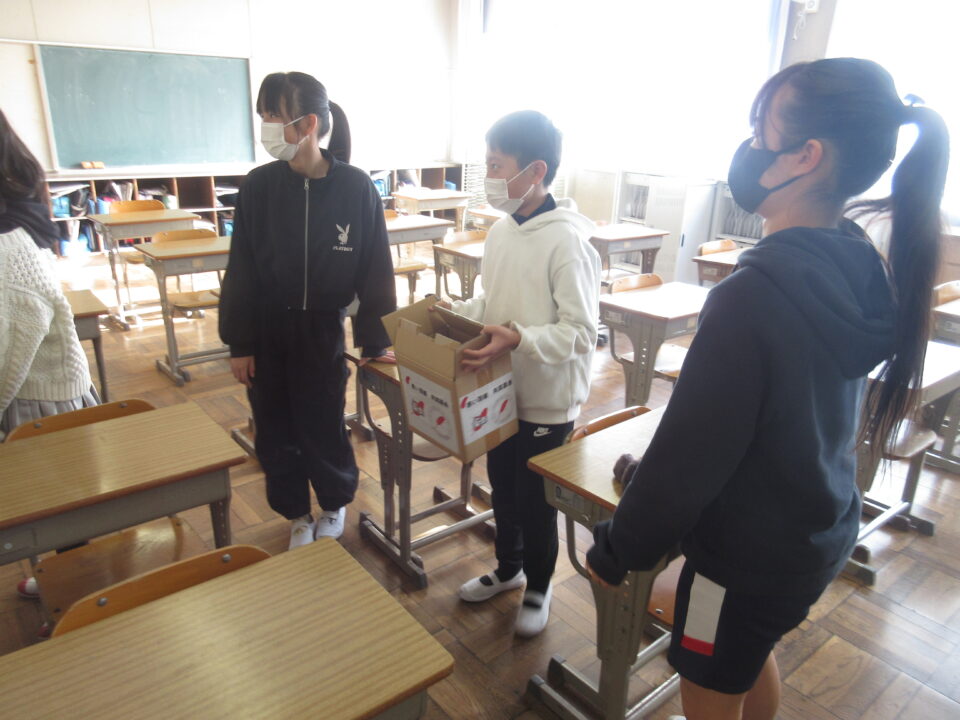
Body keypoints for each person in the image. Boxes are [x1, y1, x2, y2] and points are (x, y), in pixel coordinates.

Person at [585, 58, 949, 720]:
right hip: (813, 531)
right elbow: (763, 425)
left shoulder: (751, 298)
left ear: (806, 156)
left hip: (740, 565)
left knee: (714, 676)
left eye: (761, 133)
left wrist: (615, 551)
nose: (749, 148)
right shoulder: (857, 263)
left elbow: (688, 461)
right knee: (748, 658)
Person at [218, 72, 396, 550]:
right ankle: (296, 512)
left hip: (321, 329)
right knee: (274, 427)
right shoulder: (258, 187)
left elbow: (376, 267)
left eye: (273, 115)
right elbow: (241, 270)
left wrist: (375, 340)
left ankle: (334, 503)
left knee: (323, 423)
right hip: (267, 329)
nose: (265, 125)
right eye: (262, 115)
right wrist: (240, 343)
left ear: (308, 123)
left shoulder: (355, 188)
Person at [450, 110, 600, 637]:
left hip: (546, 400)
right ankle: (509, 569)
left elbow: (581, 332)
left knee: (536, 502)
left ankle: (539, 585)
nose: (488, 176)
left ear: (535, 171)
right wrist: (453, 315)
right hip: (499, 390)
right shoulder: (500, 232)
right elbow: (491, 301)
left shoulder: (568, 242)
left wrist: (520, 338)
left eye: (497, 165)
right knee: (503, 489)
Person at [0, 108, 100, 599]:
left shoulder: (6, 243)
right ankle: (66, 585)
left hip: (39, 400)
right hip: (45, 390)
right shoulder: (17, 207)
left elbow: (7, 357)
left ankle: (75, 599)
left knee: (57, 509)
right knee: (60, 508)